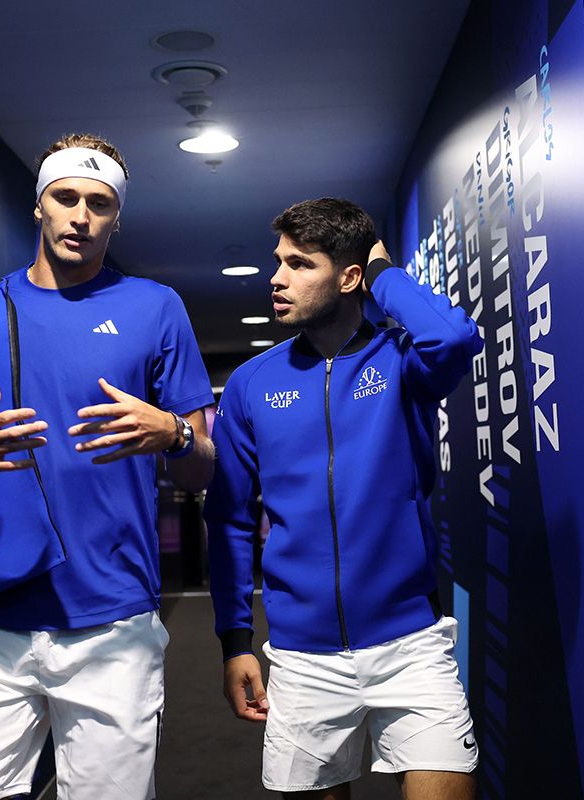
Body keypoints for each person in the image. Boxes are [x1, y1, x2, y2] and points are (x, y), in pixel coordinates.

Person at [0, 133, 215, 800]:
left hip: (113, 625)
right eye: (66, 197)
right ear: (39, 207)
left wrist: (171, 434)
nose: (80, 215)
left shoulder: (154, 307)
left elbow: (204, 469)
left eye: (99, 203)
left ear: (117, 217)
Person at [205, 198, 482, 799]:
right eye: (278, 262)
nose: (277, 279)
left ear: (349, 277)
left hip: (411, 644)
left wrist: (385, 273)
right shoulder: (253, 382)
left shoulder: (402, 361)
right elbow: (227, 518)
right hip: (303, 658)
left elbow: (454, 337)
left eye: (300, 264)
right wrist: (234, 640)